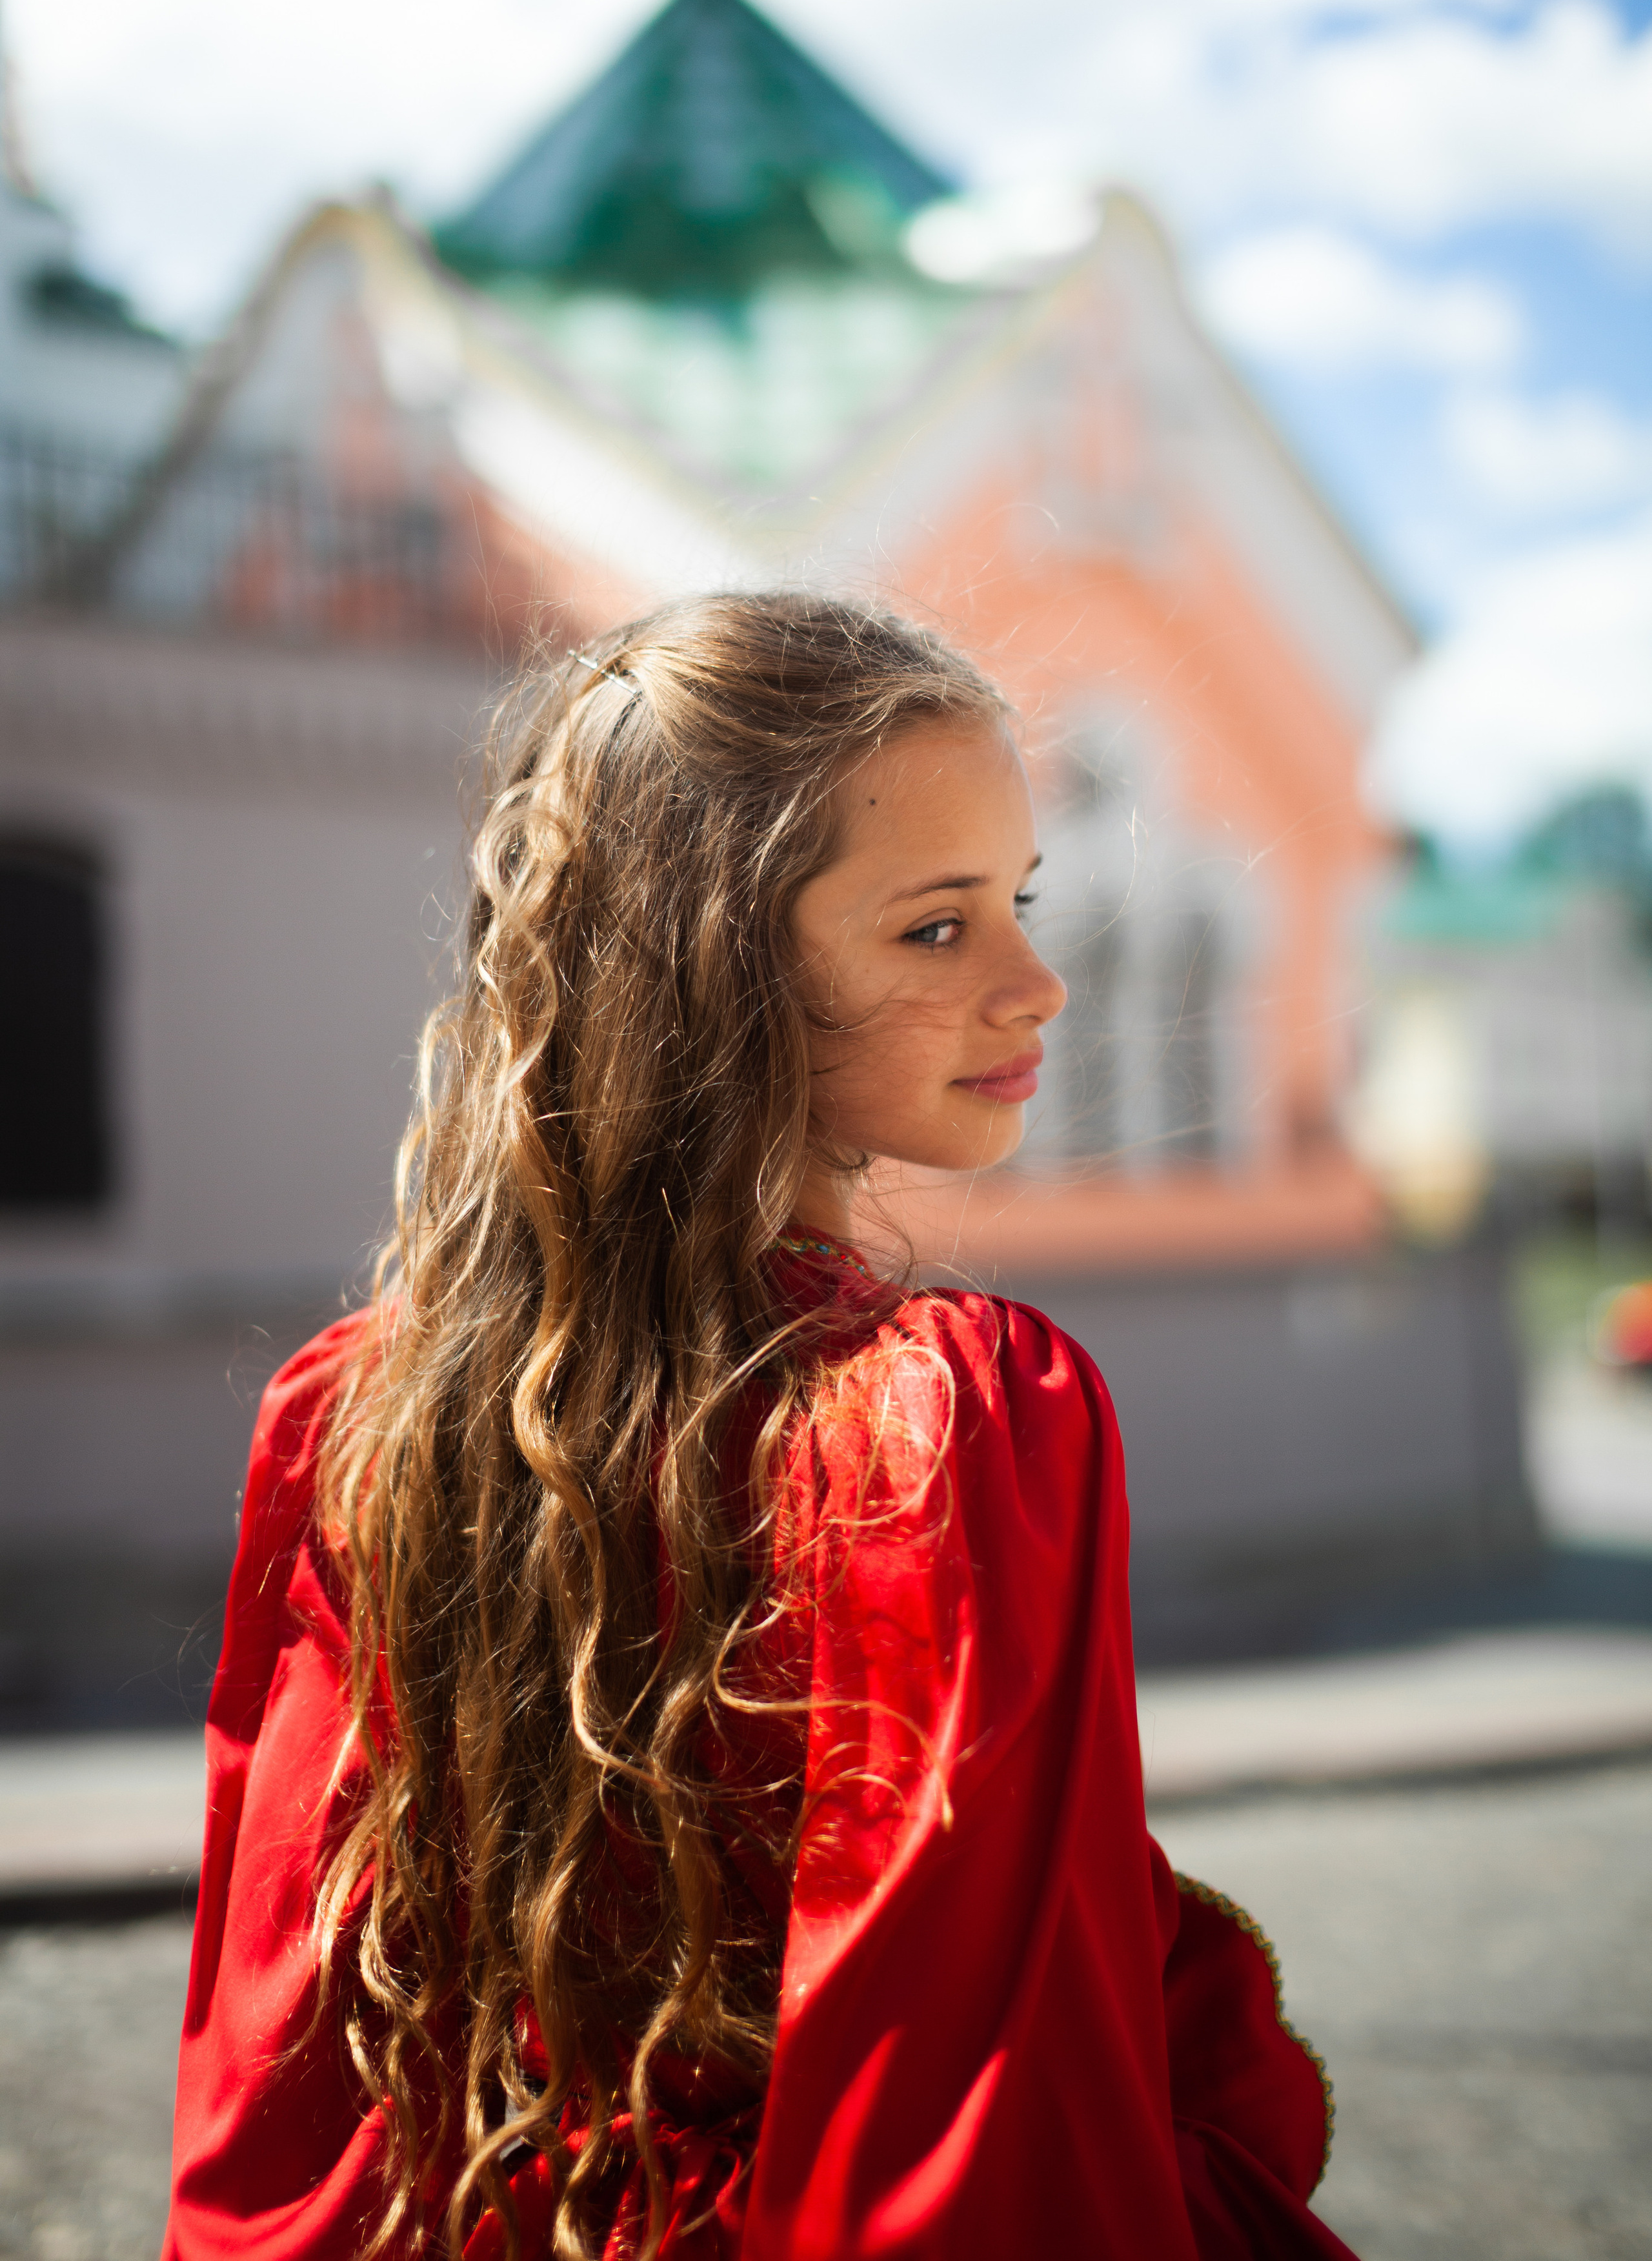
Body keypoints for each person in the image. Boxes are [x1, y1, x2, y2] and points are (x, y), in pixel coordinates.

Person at [163, 592, 1356, 2261]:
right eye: (936, 930)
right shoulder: (942, 1429)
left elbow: (274, 2109)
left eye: (1018, 903)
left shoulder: (352, 1415)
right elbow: (965, 2125)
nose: (1039, 984)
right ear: (716, 965)